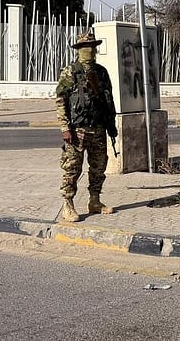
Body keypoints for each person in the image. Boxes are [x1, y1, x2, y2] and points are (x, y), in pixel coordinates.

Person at [54, 30, 118, 222]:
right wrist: (65, 127)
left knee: (98, 167)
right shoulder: (70, 72)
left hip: (98, 128)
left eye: (92, 47)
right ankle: (68, 204)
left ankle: (95, 201)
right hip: (77, 129)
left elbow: (109, 100)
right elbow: (60, 101)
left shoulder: (101, 72)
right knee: (72, 168)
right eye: (85, 47)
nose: (89, 50)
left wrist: (111, 124)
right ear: (79, 49)